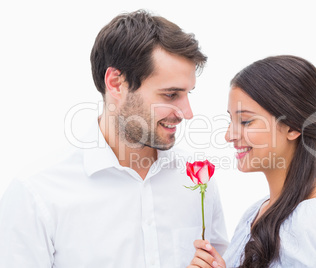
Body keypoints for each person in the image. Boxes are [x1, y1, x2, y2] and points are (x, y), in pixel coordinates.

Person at [0, 10, 228, 268]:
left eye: (188, 94)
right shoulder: (36, 194)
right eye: (171, 95)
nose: (187, 113)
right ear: (116, 83)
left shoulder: (198, 180)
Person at [188, 55, 316, 268]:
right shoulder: (257, 212)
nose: (229, 135)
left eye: (245, 121)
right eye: (231, 120)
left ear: (293, 127)